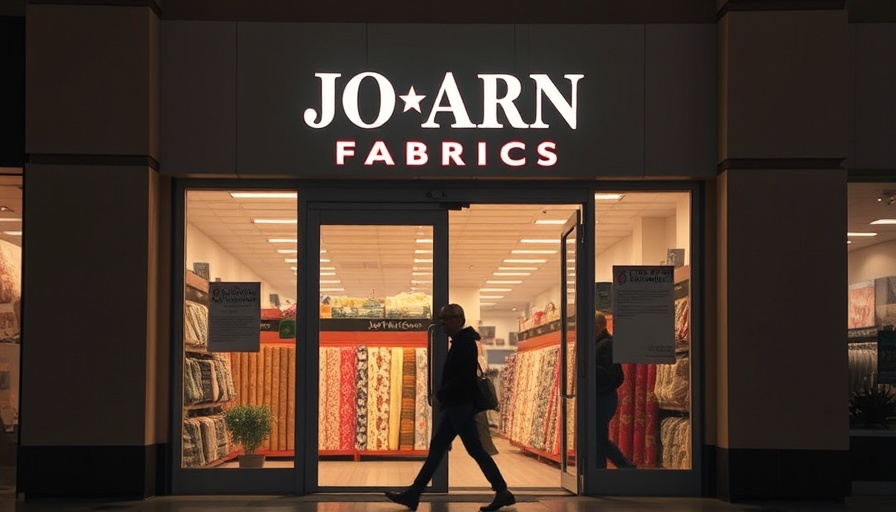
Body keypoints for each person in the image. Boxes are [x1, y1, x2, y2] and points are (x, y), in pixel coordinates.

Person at [385, 304, 515, 511]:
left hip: (459, 406)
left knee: (472, 450)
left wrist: (441, 394)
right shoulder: (462, 342)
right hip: (457, 406)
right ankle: (413, 493)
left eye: (445, 319)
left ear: (457, 319)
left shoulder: (465, 344)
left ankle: (502, 491)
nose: (442, 323)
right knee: (440, 448)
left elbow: (462, 378)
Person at [594, 312, 636, 469]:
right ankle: (619, 467)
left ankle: (604, 469)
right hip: (602, 395)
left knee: (597, 436)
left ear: (598, 326)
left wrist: (591, 370)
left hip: (603, 396)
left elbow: (614, 375)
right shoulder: (600, 343)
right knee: (599, 436)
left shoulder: (606, 345)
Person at [475, 339, 499, 455]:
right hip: (476, 396)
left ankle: (486, 449)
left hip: (474, 395)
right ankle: (487, 449)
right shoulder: (480, 359)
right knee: (481, 423)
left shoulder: (478, 359)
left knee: (480, 422)